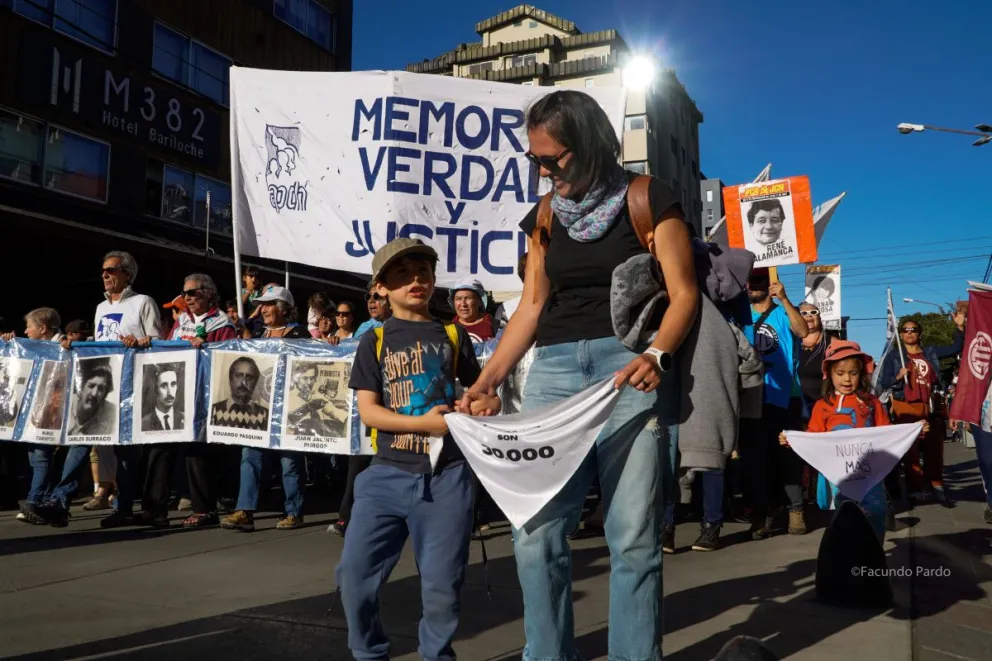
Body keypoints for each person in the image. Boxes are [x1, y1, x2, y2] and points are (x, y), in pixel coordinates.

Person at [457, 90, 698, 661]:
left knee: (633, 537)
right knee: (536, 532)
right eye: (534, 159)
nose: (542, 169)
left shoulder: (647, 199)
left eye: (552, 158)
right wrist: (489, 378)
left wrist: (657, 354)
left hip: (629, 370)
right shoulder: (542, 216)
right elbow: (531, 307)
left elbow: (684, 293)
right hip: (555, 376)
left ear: (590, 145)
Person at [336, 237, 498, 661]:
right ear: (382, 289)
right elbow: (370, 413)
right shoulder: (373, 340)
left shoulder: (452, 334)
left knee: (442, 589)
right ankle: (369, 653)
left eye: (423, 272)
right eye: (402, 274)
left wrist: (483, 403)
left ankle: (437, 656)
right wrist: (422, 424)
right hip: (385, 473)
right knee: (354, 578)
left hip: (447, 478)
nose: (415, 280)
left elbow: (482, 395)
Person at [32, 252, 161, 528]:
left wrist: (140, 341)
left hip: (130, 387)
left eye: (111, 270)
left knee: (125, 452)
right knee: (80, 441)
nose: (105, 275)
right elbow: (101, 342)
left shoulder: (143, 302)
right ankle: (60, 501)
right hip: (101, 384)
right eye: (103, 270)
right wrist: (76, 343)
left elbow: (157, 342)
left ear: (127, 273)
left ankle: (124, 508)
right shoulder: (101, 307)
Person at [781, 341, 894, 541]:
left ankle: (874, 553)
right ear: (829, 375)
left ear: (861, 374)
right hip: (837, 477)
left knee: (875, 511)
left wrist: (916, 430)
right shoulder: (823, 405)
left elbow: (887, 433)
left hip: (869, 473)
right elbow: (813, 435)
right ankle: (848, 557)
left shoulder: (871, 402)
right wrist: (792, 440)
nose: (847, 379)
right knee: (845, 515)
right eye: (840, 373)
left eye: (853, 373)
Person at [221, 285, 307, 532]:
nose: (264, 309)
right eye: (263, 304)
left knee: (289, 461)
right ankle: (245, 511)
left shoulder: (298, 334)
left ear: (283, 308)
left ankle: (294, 511)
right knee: (250, 456)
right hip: (258, 407)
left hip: (289, 408)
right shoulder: (258, 333)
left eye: (269, 304)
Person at [740, 268, 810, 539]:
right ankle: (762, 514)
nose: (751, 286)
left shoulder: (782, 311)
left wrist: (784, 298)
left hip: (786, 395)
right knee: (756, 460)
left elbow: (802, 330)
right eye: (747, 282)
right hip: (751, 395)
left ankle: (795, 509)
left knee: (787, 456)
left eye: (757, 281)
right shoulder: (739, 315)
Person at [878, 313, 965, 502]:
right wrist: (898, 377)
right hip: (905, 406)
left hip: (930, 405)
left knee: (934, 447)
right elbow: (884, 382)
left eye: (913, 330)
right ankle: (915, 488)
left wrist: (959, 328)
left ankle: (936, 484)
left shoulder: (930, 353)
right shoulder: (894, 356)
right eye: (905, 330)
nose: (909, 333)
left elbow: (956, 348)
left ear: (920, 334)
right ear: (900, 335)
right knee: (911, 450)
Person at [329, 282, 393, 535]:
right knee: (358, 462)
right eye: (369, 297)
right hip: (366, 408)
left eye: (378, 297)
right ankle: (347, 516)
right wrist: (335, 344)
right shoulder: (365, 329)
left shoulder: (406, 326)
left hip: (398, 408)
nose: (372, 301)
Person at [4, 308, 62, 517]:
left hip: (51, 410)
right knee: (35, 457)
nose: (26, 332)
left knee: (40, 456)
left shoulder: (63, 346)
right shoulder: (34, 346)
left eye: (29, 327)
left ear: (43, 328)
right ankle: (44, 500)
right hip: (34, 409)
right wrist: (10, 342)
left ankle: (34, 500)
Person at [68, 360, 116, 436]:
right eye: (91, 386)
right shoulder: (66, 405)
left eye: (101, 389)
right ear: (80, 387)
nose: (94, 394)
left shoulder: (112, 414)